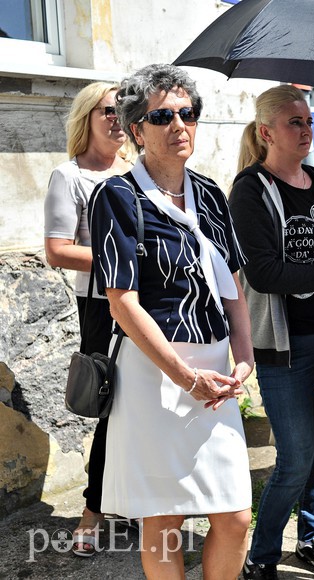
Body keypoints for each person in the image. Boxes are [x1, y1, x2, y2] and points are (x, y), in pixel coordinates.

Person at [88, 64, 253, 577]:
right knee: (165, 519)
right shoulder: (117, 197)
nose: (179, 124)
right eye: (163, 116)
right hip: (154, 374)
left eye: (188, 113)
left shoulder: (210, 193)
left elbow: (233, 285)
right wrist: (185, 376)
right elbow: (122, 302)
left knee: (235, 517)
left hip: (216, 374)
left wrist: (245, 359)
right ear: (137, 130)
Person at [229, 85, 314, 580]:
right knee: (295, 456)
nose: (307, 130)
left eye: (309, 121)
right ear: (266, 132)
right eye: (295, 122)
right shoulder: (251, 189)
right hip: (284, 347)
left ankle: (311, 538)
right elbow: (263, 272)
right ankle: (262, 554)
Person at [43, 81, 134, 557]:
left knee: (145, 404)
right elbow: (57, 251)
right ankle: (93, 511)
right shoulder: (70, 176)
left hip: (150, 301)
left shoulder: (138, 172)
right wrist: (126, 259)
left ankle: (134, 501)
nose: (118, 118)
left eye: (124, 110)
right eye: (107, 111)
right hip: (101, 304)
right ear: (87, 118)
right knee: (110, 405)